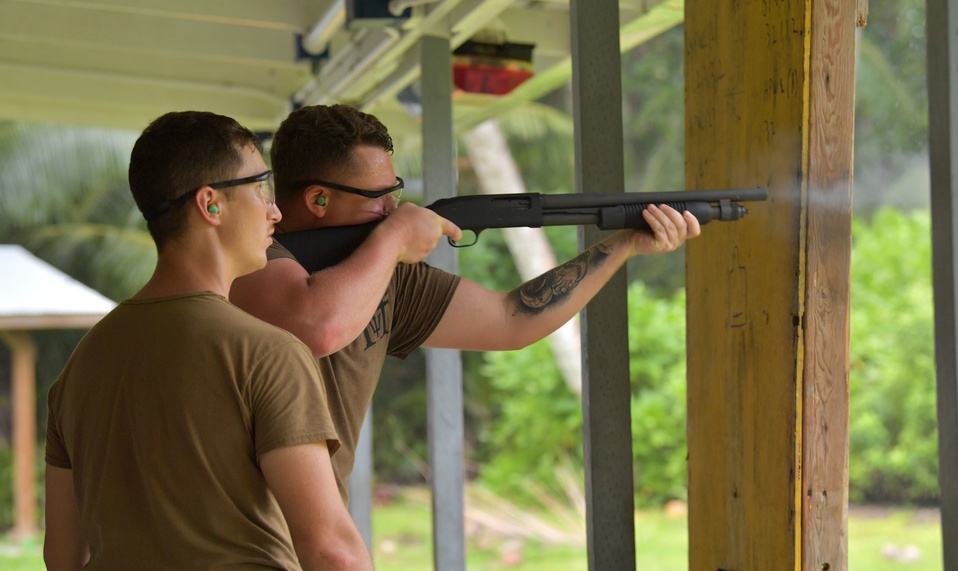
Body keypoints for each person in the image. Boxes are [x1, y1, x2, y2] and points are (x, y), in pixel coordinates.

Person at [43, 110, 412, 571]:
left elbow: (60, 551)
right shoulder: (268, 352)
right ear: (210, 203)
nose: (275, 210)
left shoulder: (85, 361)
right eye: (259, 188)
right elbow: (330, 547)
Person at [229, 103, 701, 506]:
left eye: (397, 194)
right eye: (380, 198)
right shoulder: (247, 263)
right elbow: (320, 327)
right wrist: (393, 239)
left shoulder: (385, 272)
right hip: (246, 538)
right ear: (317, 199)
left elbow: (510, 321)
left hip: (310, 540)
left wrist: (623, 246)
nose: (395, 209)